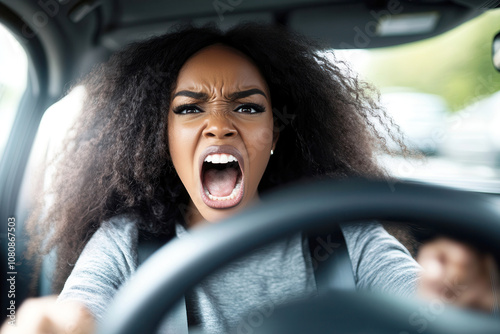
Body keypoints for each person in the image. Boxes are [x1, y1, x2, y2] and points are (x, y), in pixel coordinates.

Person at [1, 23, 497, 334]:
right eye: (191, 109)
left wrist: (452, 298)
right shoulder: (126, 243)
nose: (219, 124)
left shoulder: (346, 235)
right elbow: (81, 311)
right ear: (164, 137)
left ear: (274, 131)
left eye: (247, 107)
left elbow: (416, 299)